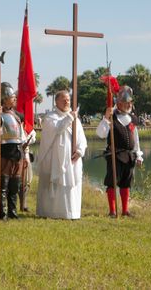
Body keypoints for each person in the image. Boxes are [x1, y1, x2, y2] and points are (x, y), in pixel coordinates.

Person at [36, 90, 87, 219]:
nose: (66, 102)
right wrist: (70, 117)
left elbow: (82, 138)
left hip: (72, 159)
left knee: (71, 184)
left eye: (68, 100)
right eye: (63, 99)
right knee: (55, 184)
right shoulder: (50, 117)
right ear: (56, 101)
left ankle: (72, 212)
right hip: (55, 159)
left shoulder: (76, 119)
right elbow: (58, 128)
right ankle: (51, 212)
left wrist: (80, 151)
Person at [96, 85, 144, 217]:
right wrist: (106, 118)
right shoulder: (111, 117)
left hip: (130, 156)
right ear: (118, 103)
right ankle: (112, 211)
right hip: (114, 156)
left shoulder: (133, 119)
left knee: (126, 183)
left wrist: (138, 155)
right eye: (124, 103)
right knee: (112, 183)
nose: (127, 105)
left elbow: (136, 139)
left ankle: (125, 211)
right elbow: (100, 134)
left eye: (129, 103)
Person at [0, 82, 32, 219]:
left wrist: (26, 151)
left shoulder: (16, 115)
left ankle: (13, 212)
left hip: (17, 152)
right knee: (3, 185)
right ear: (5, 98)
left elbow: (21, 135)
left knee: (14, 185)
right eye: (12, 97)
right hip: (4, 152)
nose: (15, 99)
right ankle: (3, 212)